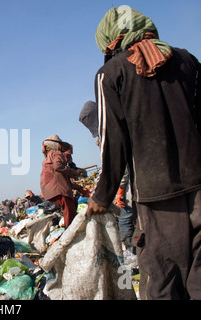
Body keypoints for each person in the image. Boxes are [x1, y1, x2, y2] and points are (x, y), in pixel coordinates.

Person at [87, 7, 201, 300]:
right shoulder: (187, 59)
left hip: (156, 198)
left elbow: (113, 143)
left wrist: (101, 196)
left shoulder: (110, 73)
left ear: (109, 40)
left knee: (162, 281)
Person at [80, 100, 136, 253]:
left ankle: (131, 250)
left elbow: (119, 165)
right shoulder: (113, 127)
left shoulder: (110, 133)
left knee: (126, 216)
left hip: (130, 182)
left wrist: (120, 190)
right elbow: (109, 166)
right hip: (129, 180)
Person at [40, 135, 83, 228]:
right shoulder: (56, 153)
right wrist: (74, 172)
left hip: (51, 190)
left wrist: (78, 187)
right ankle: (70, 233)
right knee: (70, 212)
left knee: (72, 204)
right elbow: (58, 166)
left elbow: (60, 178)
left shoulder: (47, 158)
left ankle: (69, 230)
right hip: (59, 191)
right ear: (55, 145)